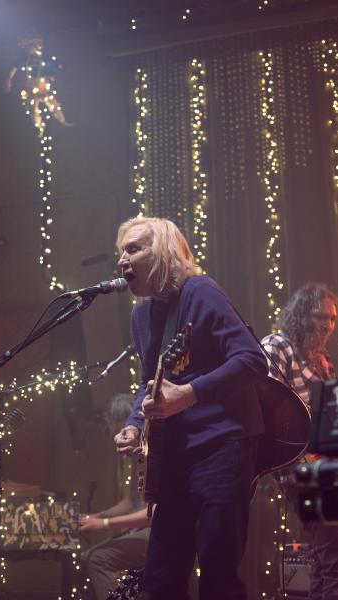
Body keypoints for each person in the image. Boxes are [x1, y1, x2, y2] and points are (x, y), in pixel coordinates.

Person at [114, 216, 268, 600]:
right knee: (161, 579)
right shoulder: (140, 315)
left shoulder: (200, 291)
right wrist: (134, 423)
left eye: (133, 249)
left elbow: (253, 359)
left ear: (162, 251)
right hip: (175, 457)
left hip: (222, 447)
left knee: (218, 576)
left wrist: (189, 393)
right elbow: (149, 383)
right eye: (120, 252)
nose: (121, 260)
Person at [261, 282, 338, 600]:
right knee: (333, 559)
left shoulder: (322, 361)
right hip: (298, 466)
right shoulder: (278, 346)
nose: (327, 325)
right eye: (321, 316)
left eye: (333, 319)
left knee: (324, 558)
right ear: (302, 314)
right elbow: (262, 402)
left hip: (326, 467)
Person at [81, 393, 153, 600]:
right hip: (144, 529)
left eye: (117, 430)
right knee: (88, 556)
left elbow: (153, 515)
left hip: (161, 533)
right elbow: (131, 502)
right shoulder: (137, 453)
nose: (116, 437)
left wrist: (103, 523)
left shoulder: (151, 451)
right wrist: (95, 517)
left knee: (98, 558)